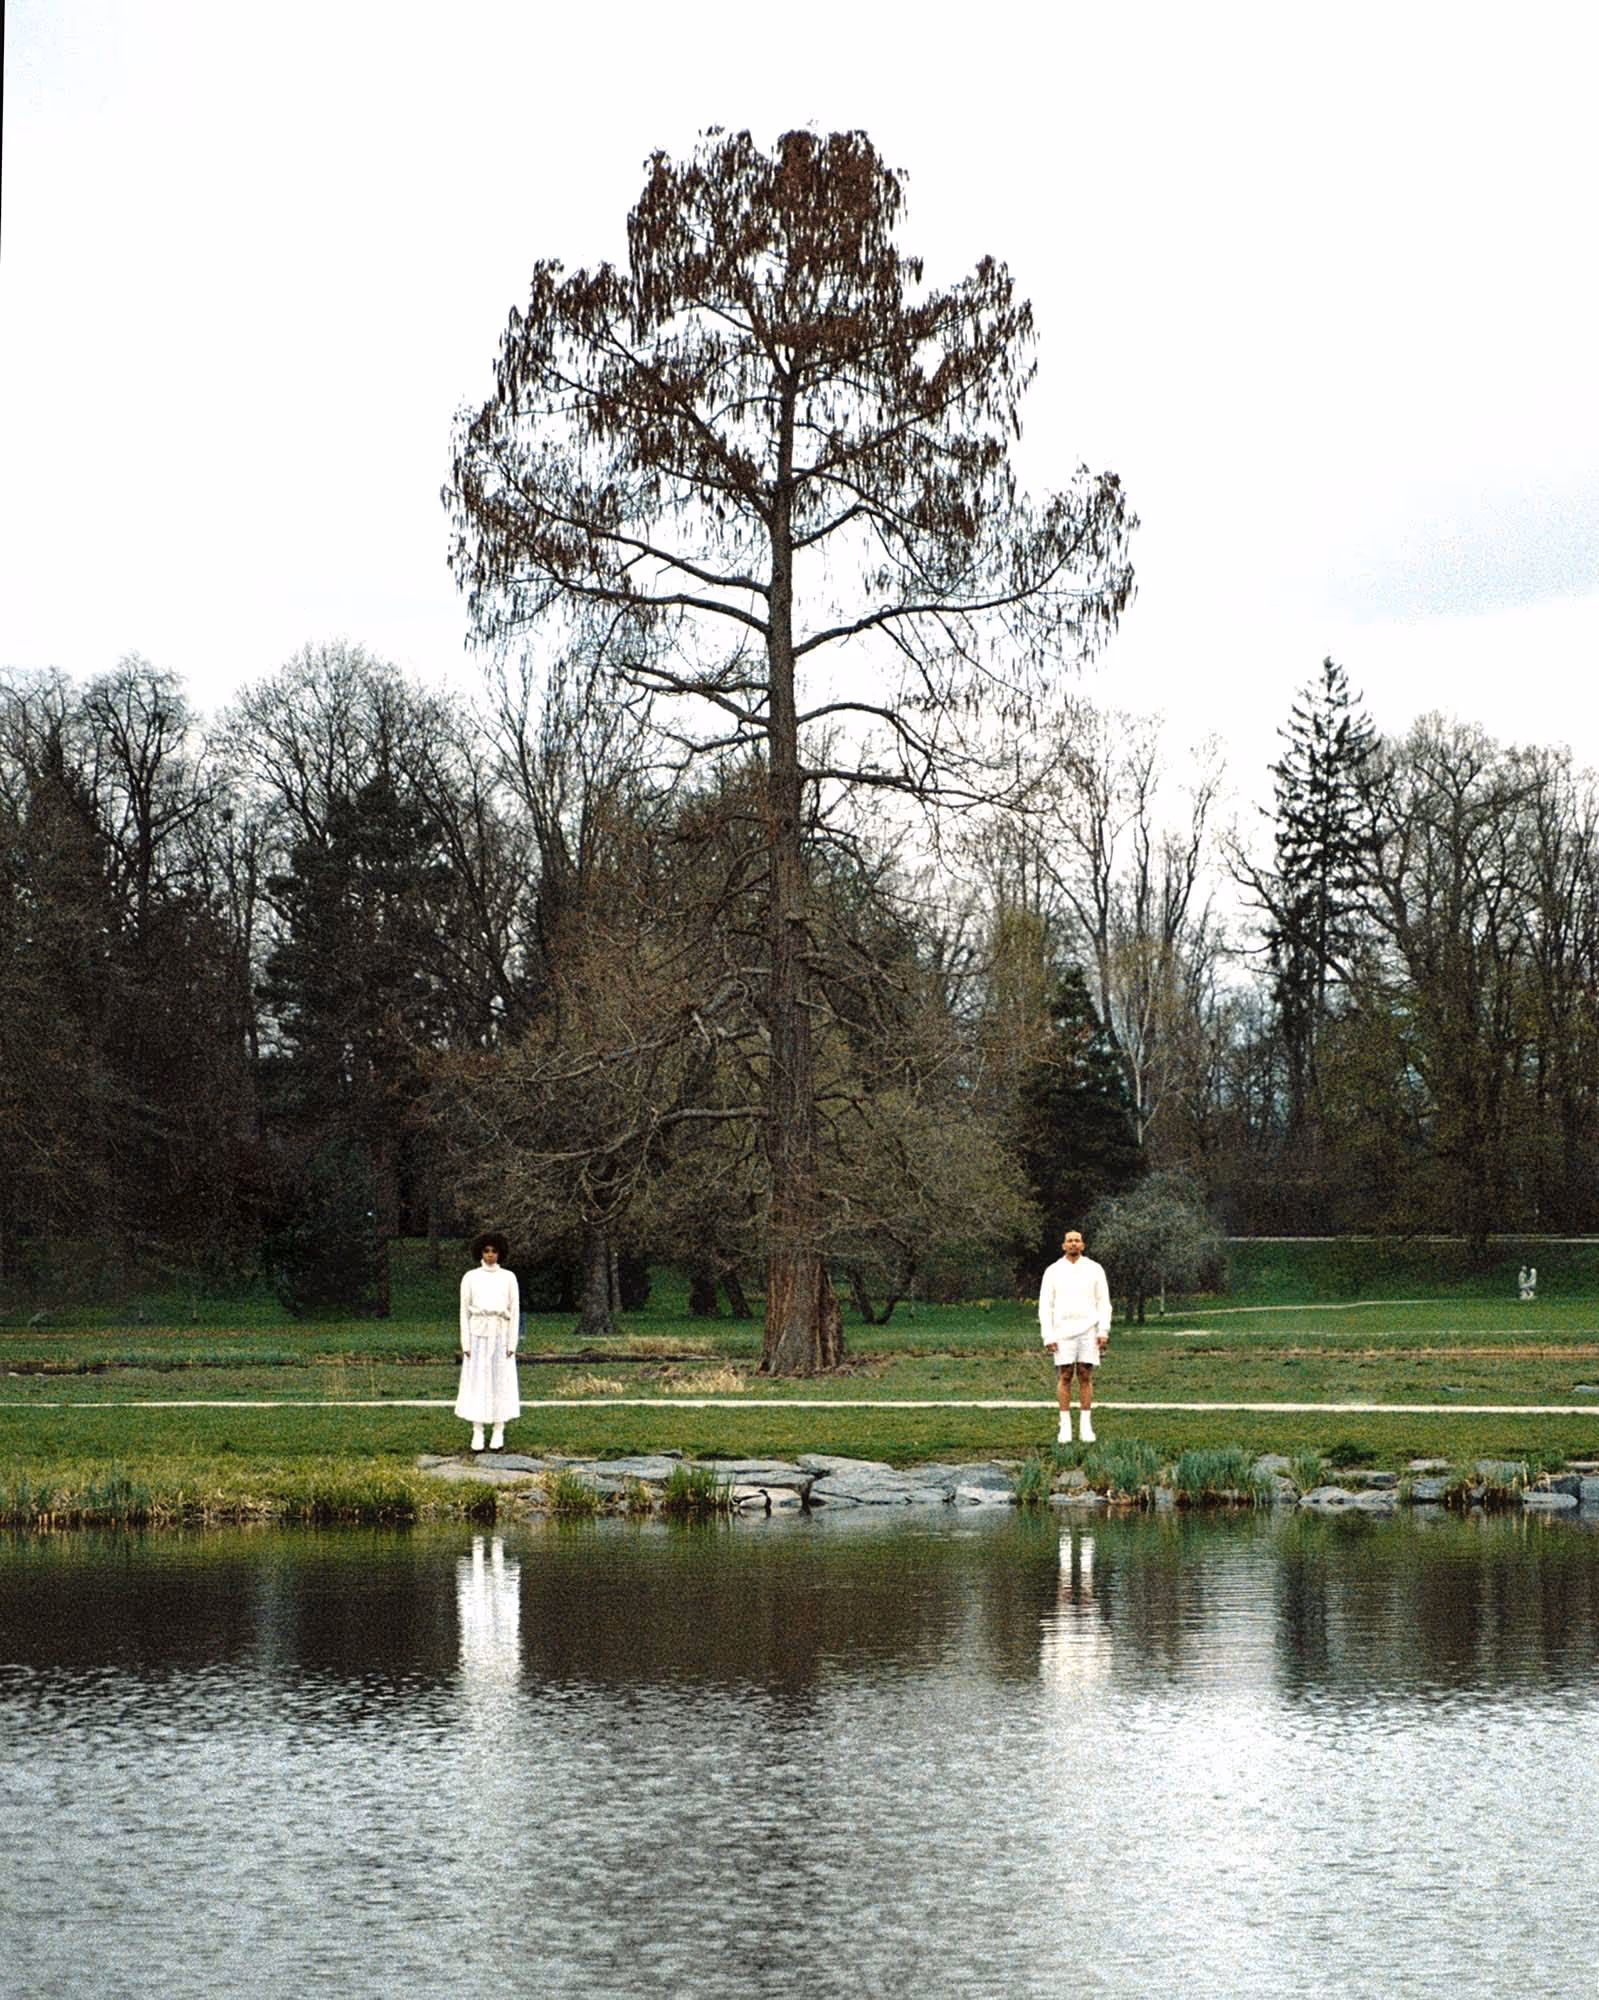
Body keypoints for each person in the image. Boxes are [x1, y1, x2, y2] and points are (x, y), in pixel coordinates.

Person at [1039, 1227, 1111, 1445]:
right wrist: (1048, 1335)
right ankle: (1065, 1427)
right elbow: (1045, 1305)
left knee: (1085, 1375)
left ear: (1083, 1245)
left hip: (1088, 1329)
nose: (1073, 1244)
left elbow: (1103, 1301)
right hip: (1062, 1331)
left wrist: (1103, 1330)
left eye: (1077, 1240)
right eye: (1069, 1241)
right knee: (1065, 1375)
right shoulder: (1053, 1271)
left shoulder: (1095, 1269)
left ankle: (1086, 1427)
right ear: (1063, 1245)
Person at [456, 1231, 521, 1452]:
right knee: (478, 1382)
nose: (490, 1255)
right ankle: (478, 1429)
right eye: (486, 1251)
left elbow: (515, 1310)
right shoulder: (470, 1277)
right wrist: (465, 1343)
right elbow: (464, 1312)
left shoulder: (508, 1277)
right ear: (480, 1253)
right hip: (478, 1335)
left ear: (500, 1253)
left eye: (494, 1251)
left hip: (501, 1335)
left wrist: (512, 1343)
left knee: (500, 1381)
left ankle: (499, 1428)